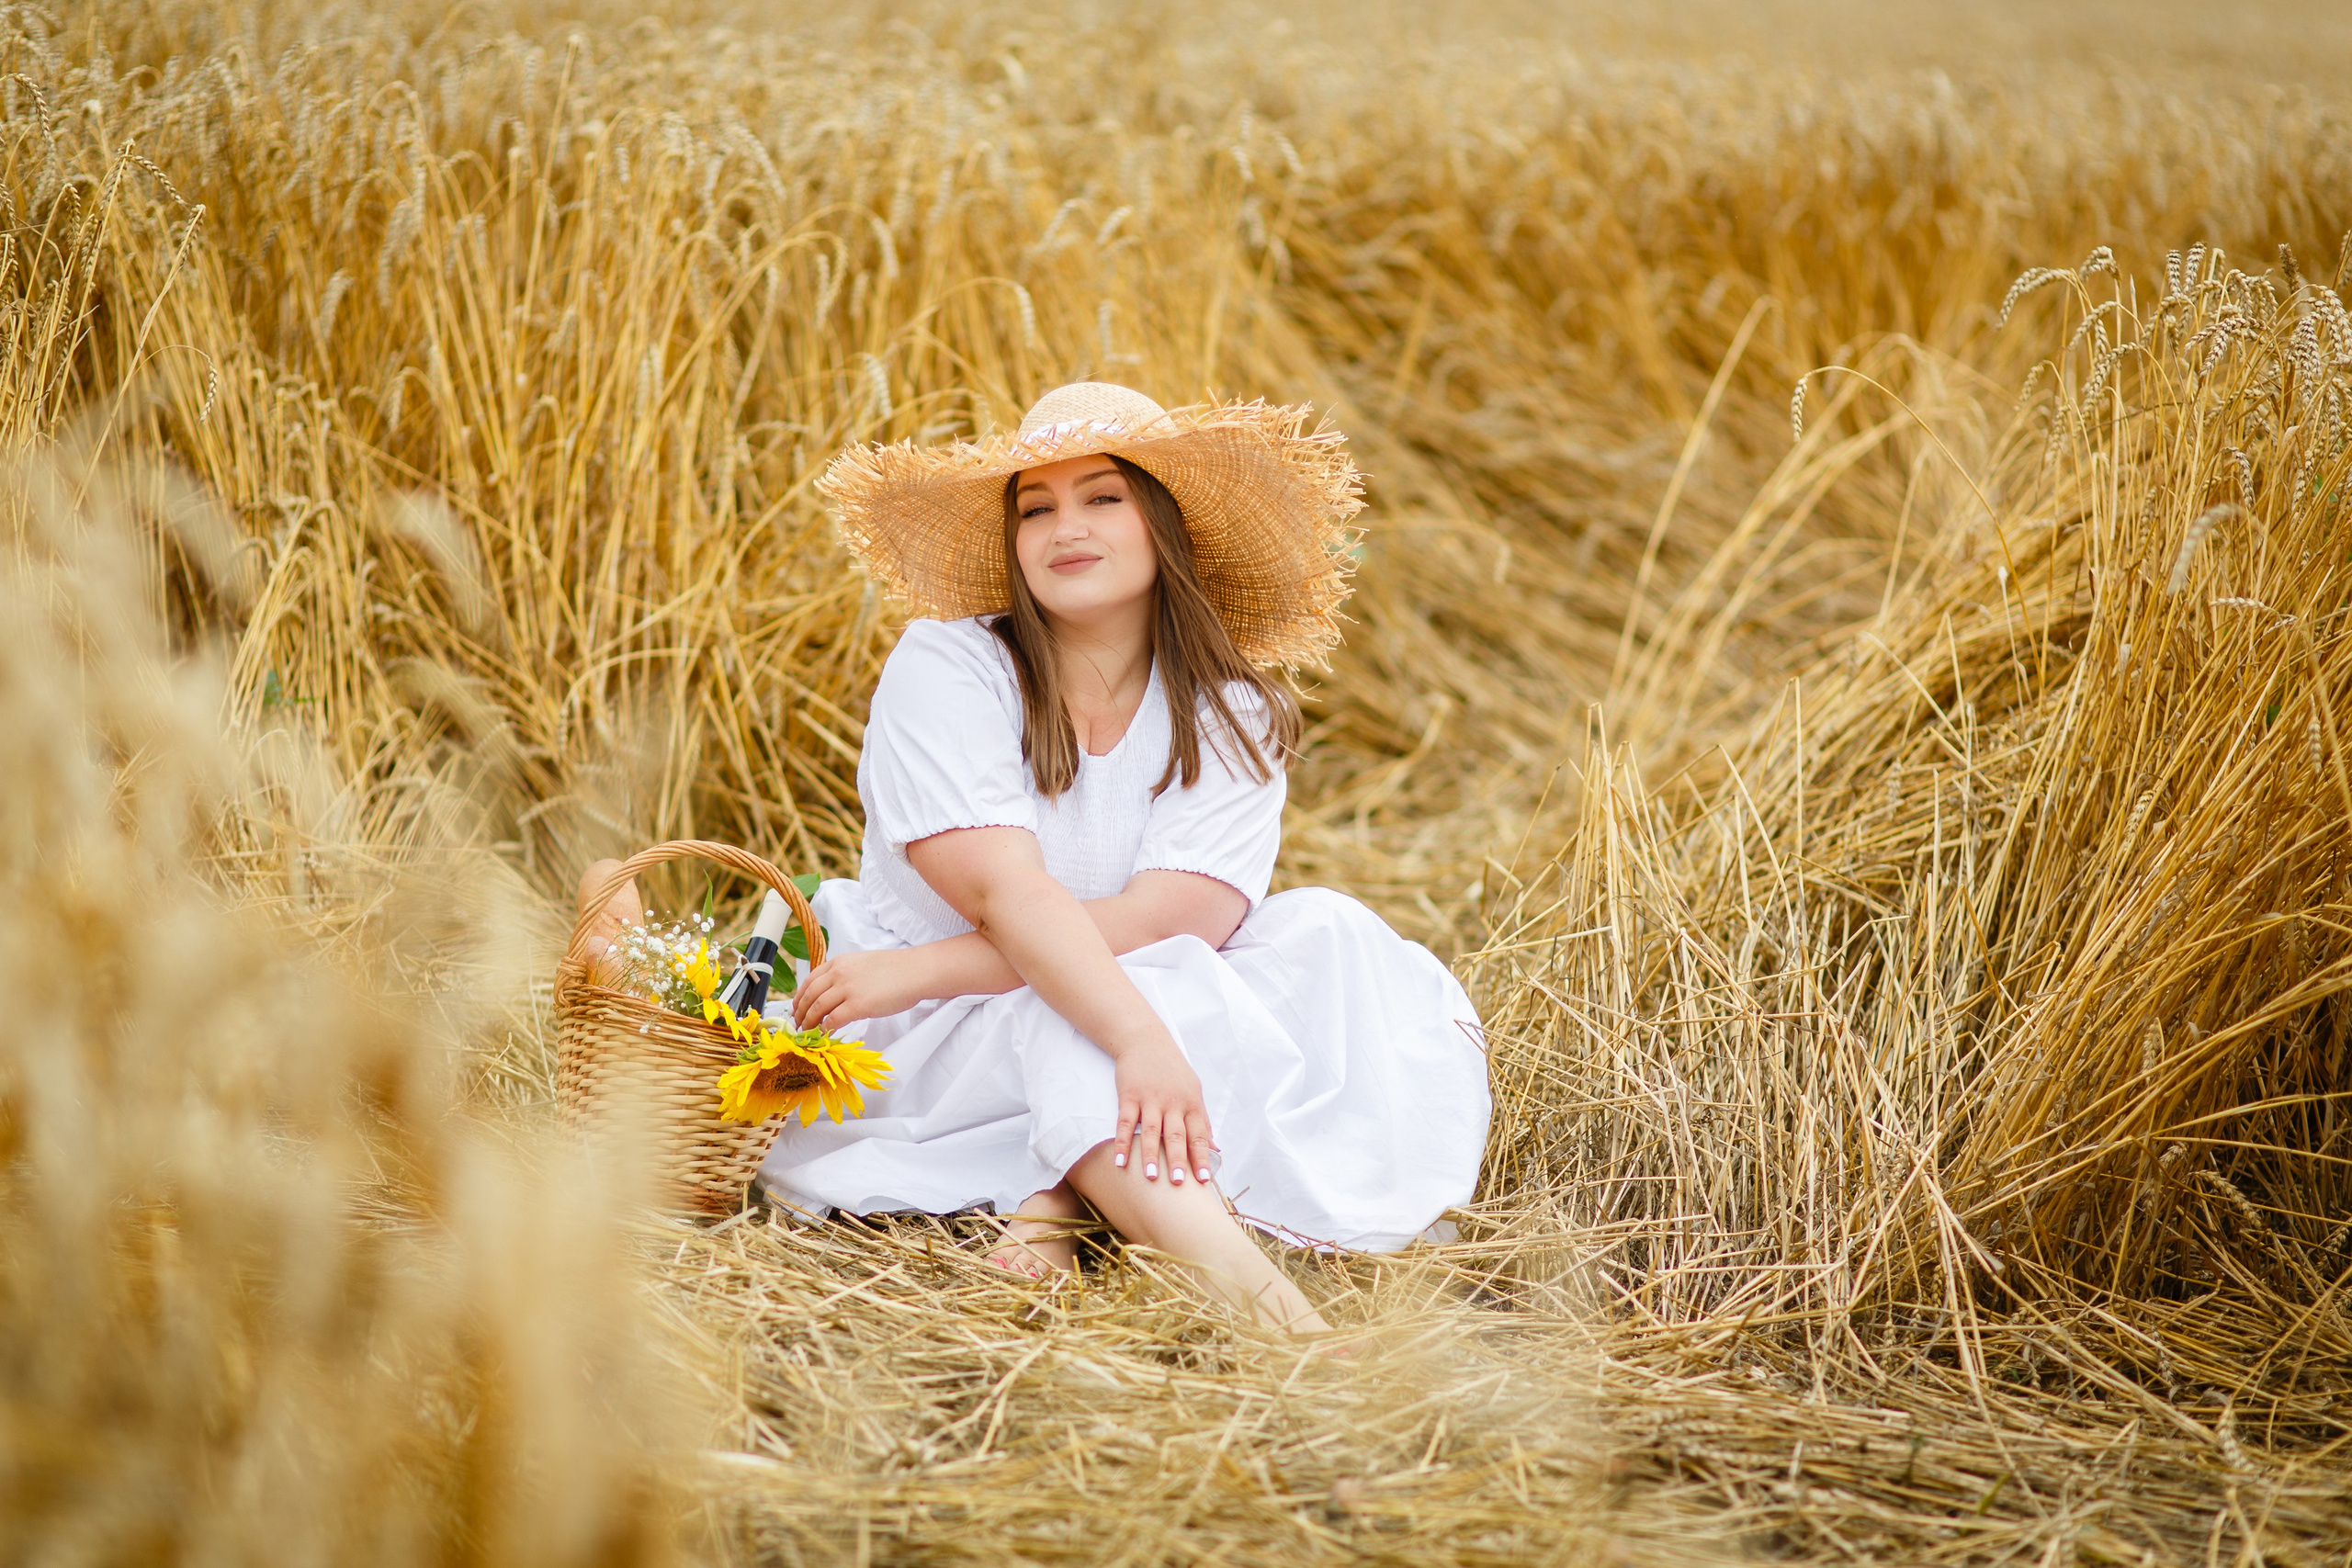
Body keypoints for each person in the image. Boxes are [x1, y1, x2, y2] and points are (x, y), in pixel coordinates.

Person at [582, 383, 1489, 1333]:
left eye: (1103, 497)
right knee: (1088, 1020)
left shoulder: (1231, 711)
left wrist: (1102, 1017)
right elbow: (1005, 892)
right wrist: (1122, 1033)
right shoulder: (951, 666)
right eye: (1036, 506)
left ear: (1164, 525)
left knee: (1321, 939)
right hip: (934, 1021)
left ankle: (1053, 1199)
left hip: (1034, 980)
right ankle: (1281, 1327)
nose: (1066, 527)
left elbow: (1168, 921)